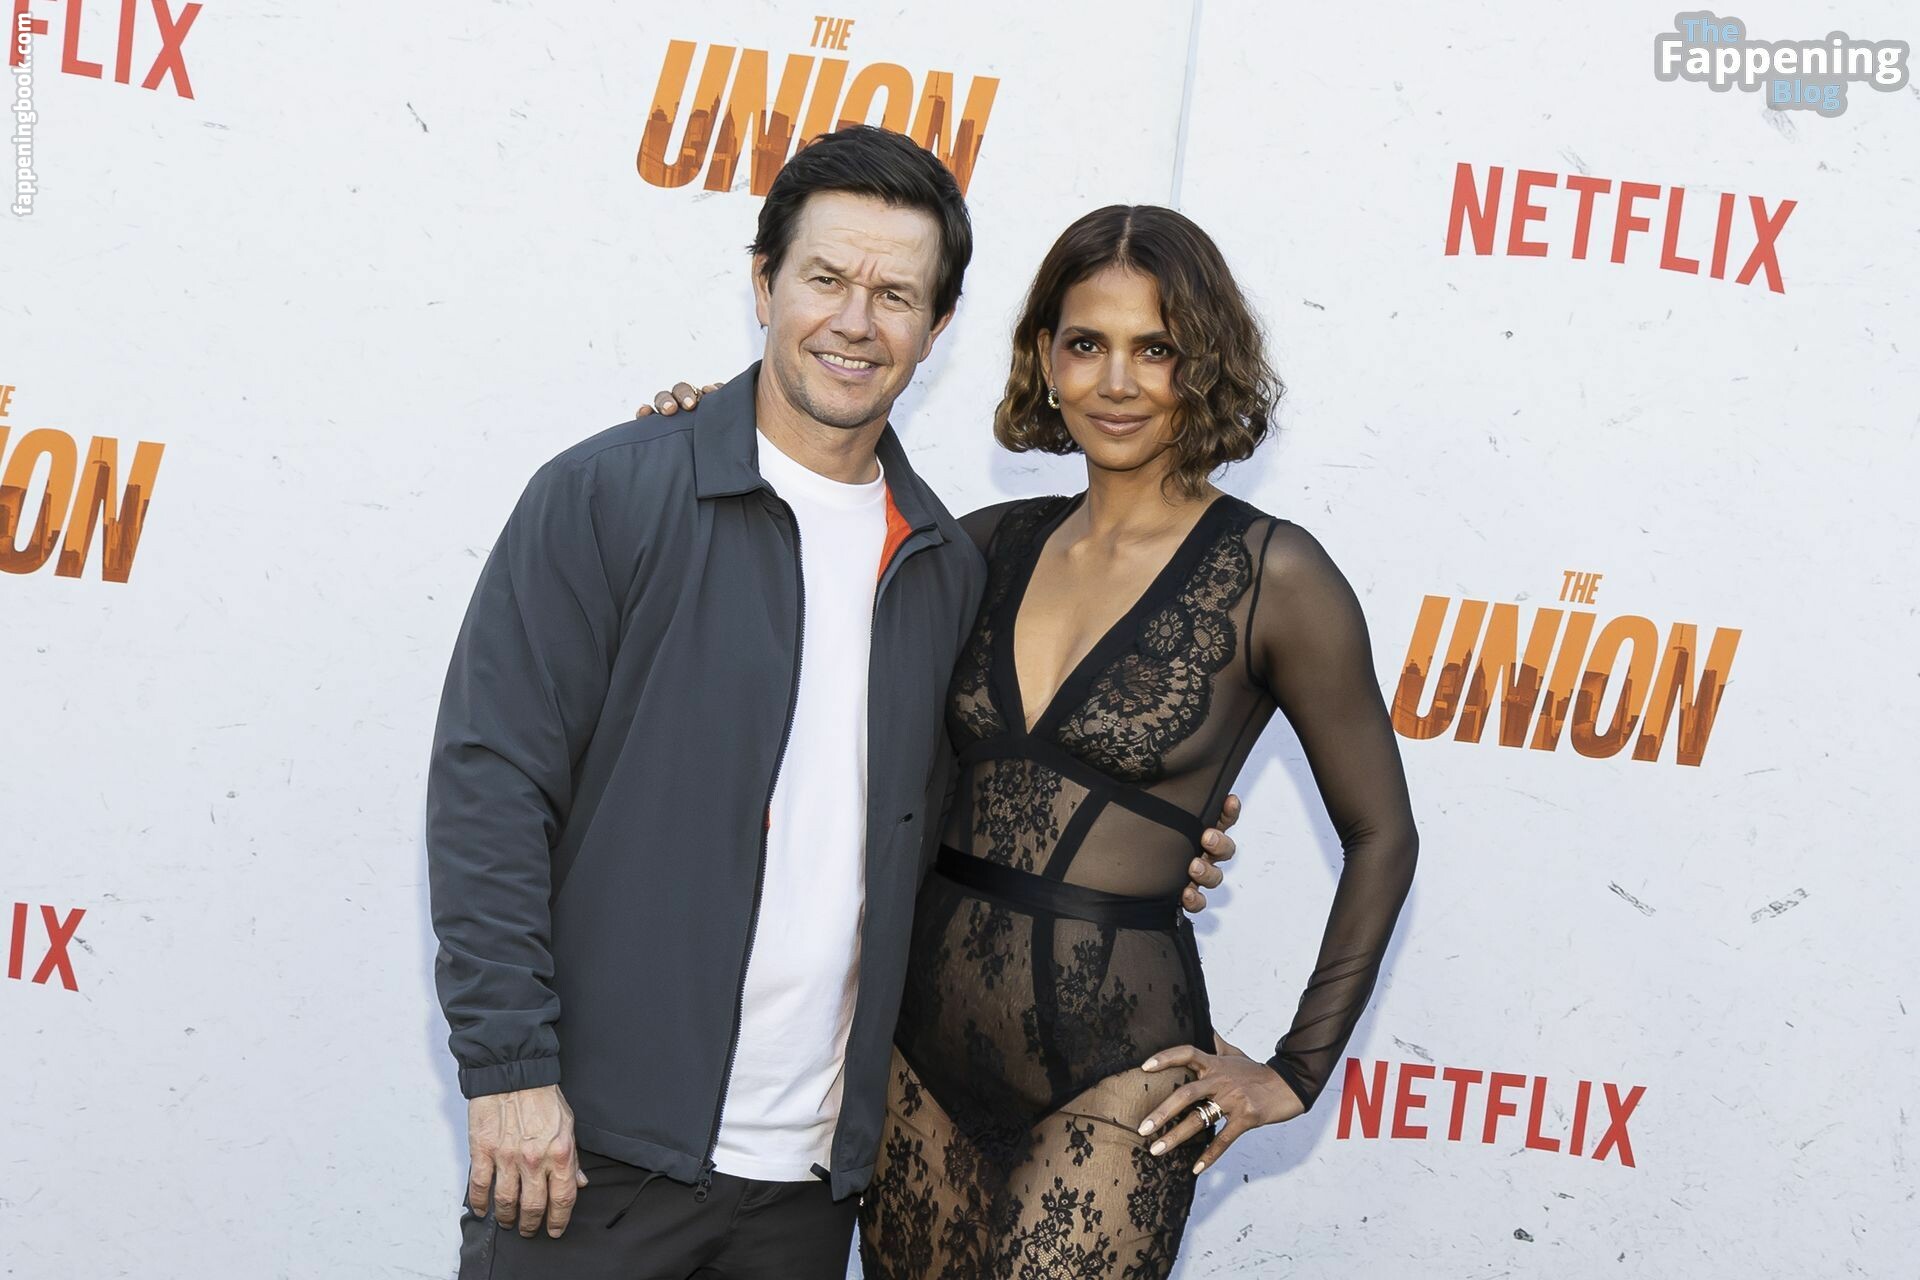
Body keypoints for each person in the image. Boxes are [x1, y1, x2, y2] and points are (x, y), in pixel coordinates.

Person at [425, 126, 1237, 1280]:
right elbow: (492, 790)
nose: (856, 321)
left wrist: (1145, 843)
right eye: (826, 278)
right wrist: (511, 1069)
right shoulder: (611, 496)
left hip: (810, 1190)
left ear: (937, 328)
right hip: (592, 1154)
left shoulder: (948, 564)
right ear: (764, 283)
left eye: (895, 294)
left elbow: (976, 807)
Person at [645, 203, 1419, 1278]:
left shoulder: (1275, 577)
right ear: (1046, 358)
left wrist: (1296, 1069)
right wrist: (709, 433)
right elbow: (810, 599)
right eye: (1087, 343)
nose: (1117, 382)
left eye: (1156, 349)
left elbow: (1383, 834)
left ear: (1205, 364)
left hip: (1119, 1074)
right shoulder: (980, 546)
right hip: (915, 1061)